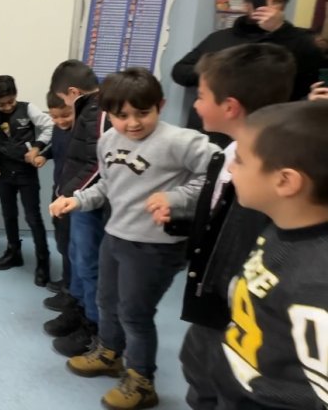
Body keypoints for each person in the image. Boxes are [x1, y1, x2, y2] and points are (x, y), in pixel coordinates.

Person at [51, 68, 217, 410]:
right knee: (106, 301)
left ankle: (142, 381)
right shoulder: (109, 140)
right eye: (121, 115)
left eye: (143, 113)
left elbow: (219, 176)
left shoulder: (181, 141)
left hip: (156, 247)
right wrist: (78, 200)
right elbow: (107, 185)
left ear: (161, 105)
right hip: (116, 236)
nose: (133, 123)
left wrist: (176, 198)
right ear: (108, 114)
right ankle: (110, 353)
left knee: (135, 314)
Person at [175, 43, 296, 409]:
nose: (195, 105)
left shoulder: (264, 171)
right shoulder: (229, 152)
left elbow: (249, 238)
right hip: (211, 293)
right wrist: (180, 222)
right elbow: (219, 221)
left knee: (224, 380)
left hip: (239, 309)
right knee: (196, 364)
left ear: (229, 107)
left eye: (201, 96)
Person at [198, 100, 328, 408]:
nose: (230, 168)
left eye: (240, 160)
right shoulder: (279, 227)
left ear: (285, 181)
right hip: (237, 383)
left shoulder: (316, 283)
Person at [170, 0, 322, 146]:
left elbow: (312, 71)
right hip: (212, 131)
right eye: (262, 0)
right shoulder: (221, 38)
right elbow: (179, 72)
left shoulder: (298, 39)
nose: (269, 6)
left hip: (266, 132)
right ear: (247, 5)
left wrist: (280, 31)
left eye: (277, 1)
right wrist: (220, 72)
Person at [47, 59, 111, 357]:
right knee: (77, 258)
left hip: (88, 203)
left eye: (62, 102)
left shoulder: (98, 111)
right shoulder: (87, 111)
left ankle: (93, 329)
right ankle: (79, 311)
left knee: (88, 265)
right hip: (77, 200)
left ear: (72, 92)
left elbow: (97, 163)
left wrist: (68, 193)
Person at [0, 75, 54, 286]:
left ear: (16, 95)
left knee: (33, 217)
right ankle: (14, 252)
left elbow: (50, 127)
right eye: (1, 104)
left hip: (26, 172)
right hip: (4, 172)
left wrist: (38, 147)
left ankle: (43, 262)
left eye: (10, 101)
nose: (7, 107)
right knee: (9, 214)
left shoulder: (28, 109)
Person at [36, 91, 76, 340]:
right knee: (62, 241)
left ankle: (71, 292)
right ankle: (66, 282)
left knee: (73, 245)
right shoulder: (59, 130)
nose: (60, 121)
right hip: (58, 191)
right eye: (54, 117)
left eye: (65, 115)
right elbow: (55, 149)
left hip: (73, 198)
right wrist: (43, 154)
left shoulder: (82, 132)